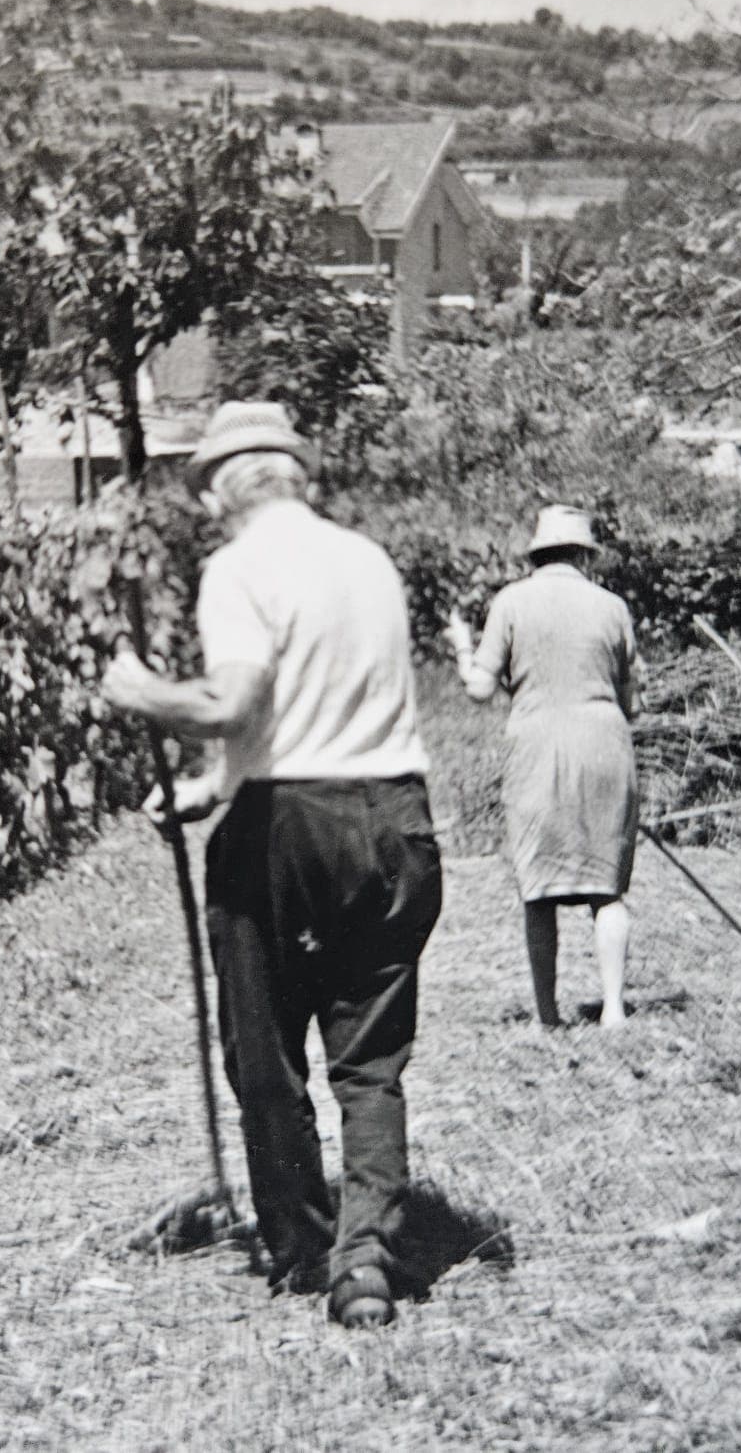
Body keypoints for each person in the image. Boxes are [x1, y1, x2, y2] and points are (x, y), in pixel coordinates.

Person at [101, 401, 442, 1331]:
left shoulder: (239, 566)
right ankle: (366, 1257)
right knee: (370, 1059)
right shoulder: (366, 560)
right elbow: (313, 704)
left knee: (265, 1050)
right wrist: (218, 780)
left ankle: (301, 1248)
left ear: (220, 490)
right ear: (298, 477)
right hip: (396, 820)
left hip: (290, 826)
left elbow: (236, 696)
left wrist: (142, 693)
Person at [443, 505, 639, 1030]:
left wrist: (464, 650)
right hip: (604, 745)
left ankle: (549, 1014)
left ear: (538, 554)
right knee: (607, 886)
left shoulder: (511, 601)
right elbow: (631, 700)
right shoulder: (612, 606)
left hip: (535, 749)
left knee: (539, 887)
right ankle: (615, 1009)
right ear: (583, 554)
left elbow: (480, 689)